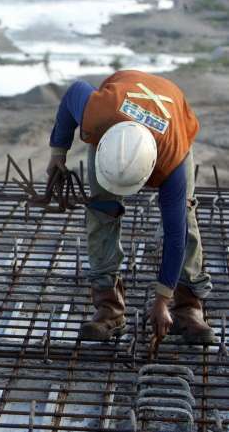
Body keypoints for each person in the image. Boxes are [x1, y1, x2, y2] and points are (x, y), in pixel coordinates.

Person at [47, 70, 213, 345]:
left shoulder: (172, 163)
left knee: (184, 218)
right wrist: (58, 152)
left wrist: (162, 299)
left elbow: (175, 237)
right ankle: (109, 309)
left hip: (171, 125)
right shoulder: (97, 113)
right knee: (101, 212)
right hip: (117, 123)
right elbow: (73, 92)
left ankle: (188, 307)